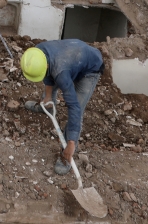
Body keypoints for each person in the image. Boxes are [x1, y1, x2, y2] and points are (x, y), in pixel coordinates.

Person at [20, 40, 104, 176]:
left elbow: (73, 107)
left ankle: (66, 153)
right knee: (52, 80)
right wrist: (48, 96)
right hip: (69, 58)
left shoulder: (61, 74)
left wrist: (71, 143)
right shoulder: (37, 53)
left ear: (46, 65)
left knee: (78, 106)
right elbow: (47, 75)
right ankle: (46, 105)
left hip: (90, 68)